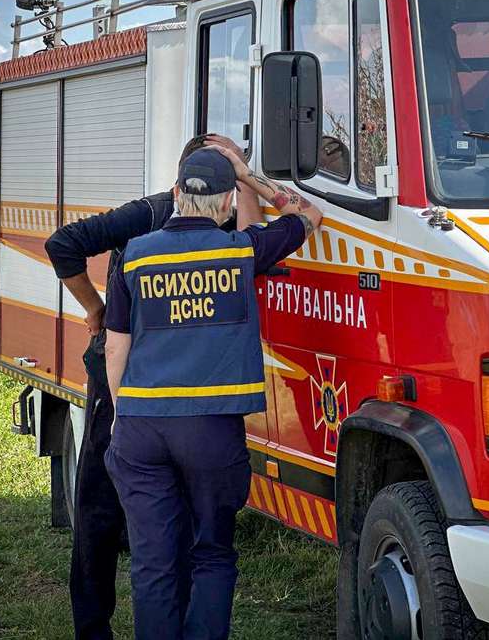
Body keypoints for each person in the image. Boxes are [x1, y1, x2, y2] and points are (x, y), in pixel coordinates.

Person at [43, 134, 258, 640]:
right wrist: (96, 309)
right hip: (124, 380)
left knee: (166, 527)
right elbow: (63, 244)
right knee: (100, 507)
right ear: (183, 184)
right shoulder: (151, 213)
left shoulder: (228, 224)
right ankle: (93, 629)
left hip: (160, 398)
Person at [103, 146, 322, 640]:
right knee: (212, 553)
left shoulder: (134, 255)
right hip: (210, 429)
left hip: (141, 428)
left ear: (178, 194)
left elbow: (116, 350)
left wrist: (122, 415)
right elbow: (308, 215)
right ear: (227, 203)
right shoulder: (242, 250)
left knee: (154, 562)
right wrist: (252, 177)